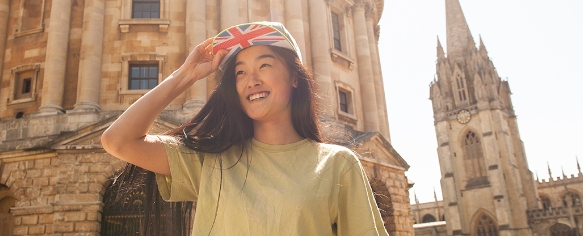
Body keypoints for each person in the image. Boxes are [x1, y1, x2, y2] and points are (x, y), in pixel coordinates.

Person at [101, 22, 388, 235]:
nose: (251, 80)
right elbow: (118, 141)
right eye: (240, 72)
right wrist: (184, 75)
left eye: (265, 65)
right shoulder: (211, 161)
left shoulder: (337, 165)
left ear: (294, 78)